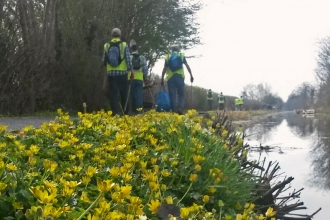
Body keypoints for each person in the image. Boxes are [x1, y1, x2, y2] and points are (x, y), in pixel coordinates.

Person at [103, 28, 134, 116]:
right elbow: (128, 59)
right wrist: (131, 71)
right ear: (120, 35)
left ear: (112, 35)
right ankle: (126, 112)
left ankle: (115, 113)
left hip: (111, 73)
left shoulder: (106, 45)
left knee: (114, 94)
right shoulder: (124, 45)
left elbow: (104, 60)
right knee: (124, 93)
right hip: (122, 73)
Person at [161, 45, 193, 115]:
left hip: (170, 77)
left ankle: (173, 110)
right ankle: (179, 108)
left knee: (172, 95)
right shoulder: (181, 55)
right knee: (181, 94)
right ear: (178, 49)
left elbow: (164, 68)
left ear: (172, 50)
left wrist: (162, 78)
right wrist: (191, 75)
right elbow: (187, 66)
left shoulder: (168, 56)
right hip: (180, 77)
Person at [128, 44, 148, 114]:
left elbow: (126, 68)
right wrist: (146, 77)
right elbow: (145, 69)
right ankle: (138, 111)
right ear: (137, 49)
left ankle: (133, 110)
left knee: (132, 95)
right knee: (139, 95)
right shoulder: (142, 57)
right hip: (140, 79)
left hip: (131, 78)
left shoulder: (129, 57)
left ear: (131, 49)